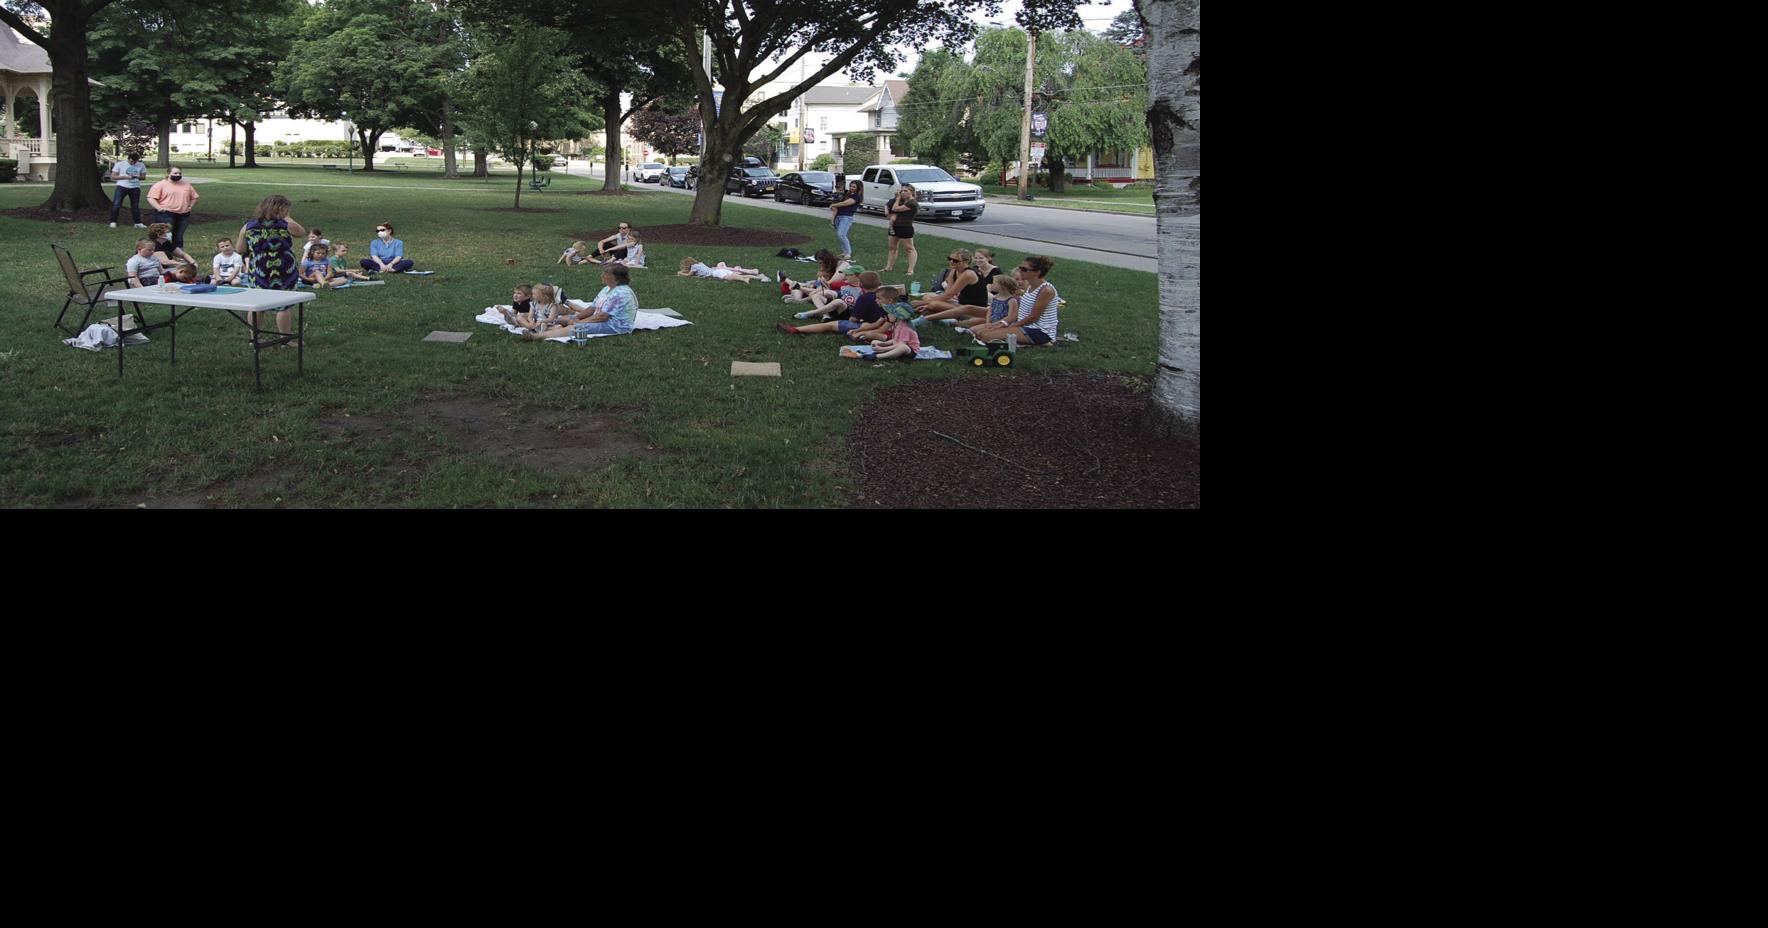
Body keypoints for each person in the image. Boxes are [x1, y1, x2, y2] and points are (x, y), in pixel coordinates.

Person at [236, 194, 308, 340]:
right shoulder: (286, 225)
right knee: (285, 305)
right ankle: (285, 339)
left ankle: (255, 339)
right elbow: (301, 232)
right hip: (284, 269)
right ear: (282, 209)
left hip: (259, 269)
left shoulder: (248, 226)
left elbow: (240, 249)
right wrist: (287, 218)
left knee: (257, 304)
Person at [523, 264, 639, 341]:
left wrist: (578, 322)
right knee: (564, 319)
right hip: (601, 319)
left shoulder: (621, 293)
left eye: (605, 274)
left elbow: (603, 316)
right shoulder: (607, 289)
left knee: (577, 327)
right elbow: (592, 308)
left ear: (615, 278)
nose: (602, 276)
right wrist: (576, 317)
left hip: (615, 326)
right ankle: (545, 327)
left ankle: (537, 336)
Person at [968, 254, 1059, 347]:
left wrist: (1012, 326)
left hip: (1039, 331)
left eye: (1024, 269)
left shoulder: (1046, 290)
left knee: (985, 335)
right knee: (978, 333)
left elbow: (1034, 317)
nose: (1020, 271)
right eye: (1020, 267)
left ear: (1037, 272)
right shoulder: (1029, 286)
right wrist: (1004, 323)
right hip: (1023, 325)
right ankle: (1018, 340)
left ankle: (1042, 342)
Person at [775, 272, 887, 339]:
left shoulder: (864, 298)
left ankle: (795, 329)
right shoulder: (886, 295)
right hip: (883, 325)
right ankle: (803, 321)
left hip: (868, 326)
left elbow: (853, 319)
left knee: (830, 325)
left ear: (861, 284)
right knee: (835, 305)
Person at [912, 249, 982, 321]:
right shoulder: (954, 271)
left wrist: (923, 303)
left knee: (933, 304)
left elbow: (949, 295)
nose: (951, 262)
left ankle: (938, 315)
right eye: (949, 259)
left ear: (966, 262)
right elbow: (947, 293)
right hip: (960, 302)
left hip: (972, 308)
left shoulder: (968, 274)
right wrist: (928, 303)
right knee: (928, 296)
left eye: (955, 260)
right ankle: (937, 314)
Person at [145, 166, 198, 250]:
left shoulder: (186, 185)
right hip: (166, 214)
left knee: (179, 235)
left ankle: (179, 253)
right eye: (175, 173)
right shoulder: (160, 185)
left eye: (180, 173)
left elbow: (194, 197)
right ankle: (161, 251)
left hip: (183, 214)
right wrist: (159, 208)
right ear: (169, 173)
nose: (178, 175)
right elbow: (151, 198)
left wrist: (190, 206)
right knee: (165, 235)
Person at [868, 289, 922, 361]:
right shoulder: (896, 324)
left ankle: (878, 356)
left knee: (903, 348)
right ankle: (887, 352)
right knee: (874, 342)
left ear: (898, 316)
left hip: (909, 351)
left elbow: (901, 344)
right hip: (897, 345)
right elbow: (895, 340)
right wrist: (883, 344)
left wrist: (882, 348)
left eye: (891, 313)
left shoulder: (905, 328)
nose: (888, 315)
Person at [881, 184, 919, 275]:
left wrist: (897, 199)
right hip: (894, 226)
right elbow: (890, 207)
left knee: (909, 248)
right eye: (902, 191)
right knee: (892, 248)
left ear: (911, 192)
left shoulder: (912, 203)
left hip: (905, 227)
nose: (903, 193)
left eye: (906, 191)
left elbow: (895, 208)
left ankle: (910, 270)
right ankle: (888, 267)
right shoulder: (901, 201)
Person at [107, 151, 148, 229]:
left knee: (135, 206)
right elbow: (113, 177)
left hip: (135, 187)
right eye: (131, 161)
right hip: (122, 186)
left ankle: (137, 223)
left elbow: (143, 177)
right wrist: (125, 177)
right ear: (128, 158)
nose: (133, 163)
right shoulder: (120, 164)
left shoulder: (141, 165)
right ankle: (113, 221)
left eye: (135, 161)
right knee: (117, 204)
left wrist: (136, 176)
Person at [829, 180, 863, 259]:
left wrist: (833, 205)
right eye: (851, 186)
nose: (852, 188)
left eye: (854, 187)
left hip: (846, 217)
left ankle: (848, 253)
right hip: (838, 216)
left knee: (841, 234)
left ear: (858, 188)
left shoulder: (857, 197)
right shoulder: (847, 194)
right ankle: (844, 252)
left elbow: (845, 203)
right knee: (840, 235)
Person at [677, 257, 769, 283]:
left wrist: (680, 273)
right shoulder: (700, 264)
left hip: (716, 273)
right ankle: (759, 277)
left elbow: (689, 275)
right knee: (737, 275)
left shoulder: (694, 267)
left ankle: (744, 279)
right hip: (718, 270)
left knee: (730, 278)